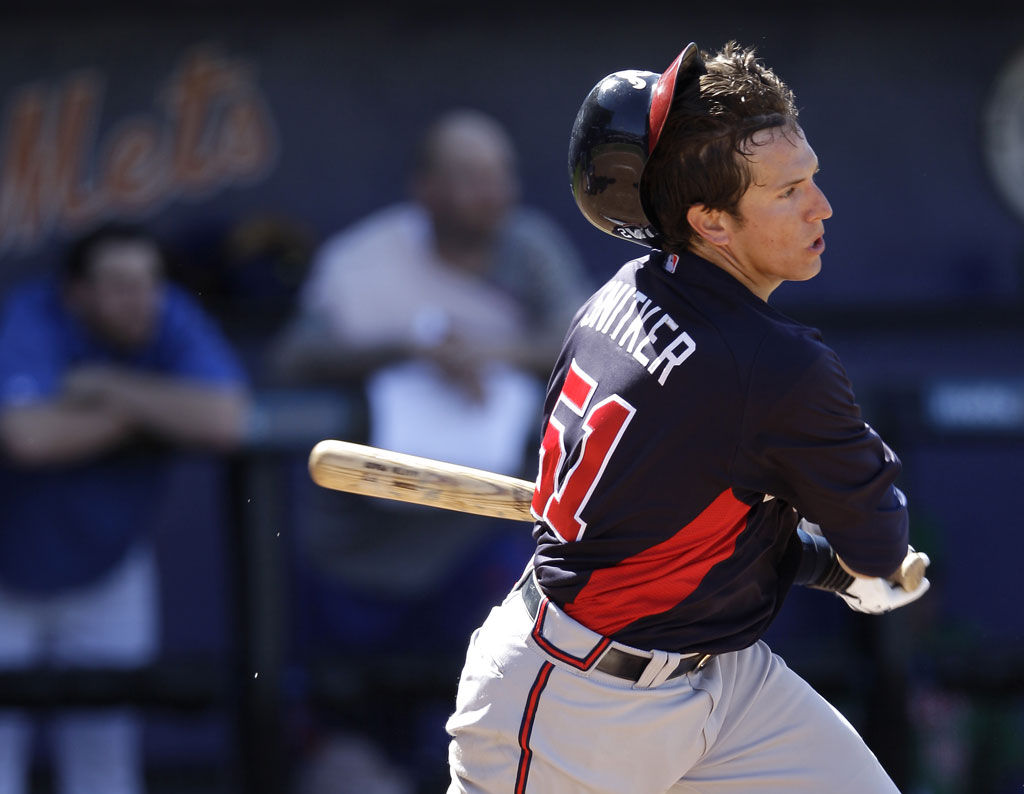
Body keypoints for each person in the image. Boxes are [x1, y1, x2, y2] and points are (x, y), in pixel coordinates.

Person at [445, 41, 932, 793]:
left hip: (725, 682)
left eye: (814, 177)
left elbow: (702, 526)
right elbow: (880, 541)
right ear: (710, 222)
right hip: (577, 702)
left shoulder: (621, 289)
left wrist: (822, 563)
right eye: (788, 191)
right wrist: (851, 564)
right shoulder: (775, 369)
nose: (821, 206)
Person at [269, 107, 593, 786]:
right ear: (426, 189)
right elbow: (293, 360)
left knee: (508, 732)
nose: (492, 191)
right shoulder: (367, 262)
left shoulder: (527, 249)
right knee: (345, 753)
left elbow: (586, 341)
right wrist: (411, 347)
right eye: (470, 176)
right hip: (361, 551)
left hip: (476, 544)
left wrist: (487, 349)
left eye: (499, 174)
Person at [0, 222, 250, 794]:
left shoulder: (166, 312)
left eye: (146, 282)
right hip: (7, 568)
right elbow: (27, 437)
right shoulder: (35, 314)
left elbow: (226, 420)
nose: (138, 299)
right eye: (117, 285)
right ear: (77, 293)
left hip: (108, 567)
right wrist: (154, 411)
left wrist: (111, 388)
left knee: (105, 766)